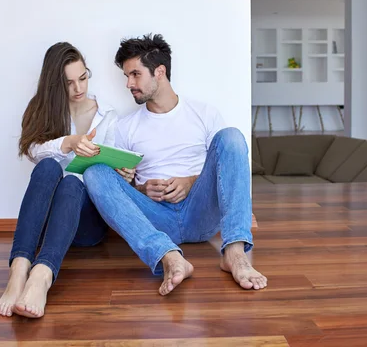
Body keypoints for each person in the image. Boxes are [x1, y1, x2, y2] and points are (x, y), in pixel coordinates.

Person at [83, 34, 267, 296]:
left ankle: (235, 254)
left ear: (160, 72)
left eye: (135, 74)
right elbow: (127, 190)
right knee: (95, 172)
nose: (128, 83)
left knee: (232, 137)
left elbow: (223, 169)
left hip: (200, 212)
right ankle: (168, 256)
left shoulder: (204, 113)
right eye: (126, 76)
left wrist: (190, 182)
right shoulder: (124, 127)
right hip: (156, 218)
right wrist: (142, 189)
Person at [0, 42, 134, 318]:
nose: (78, 88)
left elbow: (112, 176)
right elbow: (33, 151)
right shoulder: (44, 109)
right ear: (55, 84)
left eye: (83, 78)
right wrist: (68, 143)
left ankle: (42, 276)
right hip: (49, 224)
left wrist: (124, 175)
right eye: (69, 83)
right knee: (48, 166)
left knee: (74, 183)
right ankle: (19, 269)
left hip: (87, 223)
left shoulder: (107, 116)